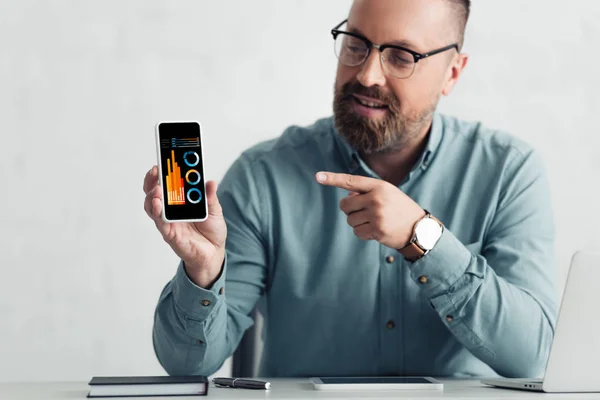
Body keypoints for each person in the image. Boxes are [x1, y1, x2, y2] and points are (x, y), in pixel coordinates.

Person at [143, 0, 557, 378]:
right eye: (356, 44)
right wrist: (203, 272)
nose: (366, 74)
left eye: (401, 56)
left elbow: (530, 357)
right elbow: (185, 365)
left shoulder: (507, 172)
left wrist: (423, 239)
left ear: (452, 73)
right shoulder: (263, 176)